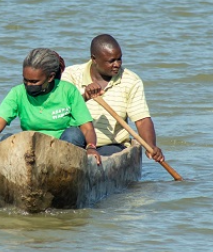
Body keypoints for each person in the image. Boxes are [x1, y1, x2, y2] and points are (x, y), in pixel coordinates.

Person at [0, 48, 102, 165]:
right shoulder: (17, 93)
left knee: (74, 133)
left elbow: (87, 128)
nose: (28, 85)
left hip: (63, 148)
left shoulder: (68, 91)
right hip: (32, 149)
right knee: (7, 140)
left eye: (34, 82)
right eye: (25, 80)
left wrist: (91, 147)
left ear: (50, 77)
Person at [63, 34, 165, 163]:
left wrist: (151, 147)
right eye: (111, 61)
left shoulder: (131, 80)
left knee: (104, 159)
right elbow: (60, 110)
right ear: (94, 59)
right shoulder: (71, 75)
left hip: (110, 146)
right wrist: (84, 97)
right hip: (76, 142)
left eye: (119, 59)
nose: (117, 64)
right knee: (71, 137)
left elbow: (142, 120)